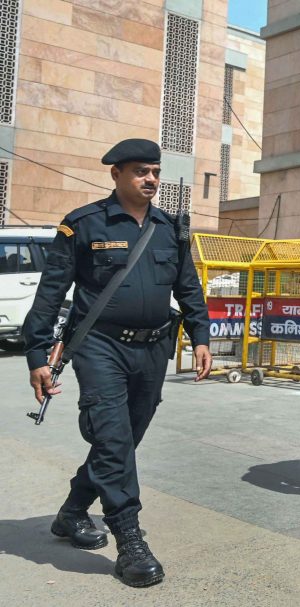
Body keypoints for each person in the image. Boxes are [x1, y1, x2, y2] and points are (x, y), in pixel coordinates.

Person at [23, 138, 213, 588]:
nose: (150, 179)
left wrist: (201, 336)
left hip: (152, 349)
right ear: (116, 175)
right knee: (112, 439)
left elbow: (188, 288)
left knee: (125, 440)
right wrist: (37, 355)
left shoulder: (171, 228)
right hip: (99, 348)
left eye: (155, 172)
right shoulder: (83, 224)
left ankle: (72, 514)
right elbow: (50, 294)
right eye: (140, 172)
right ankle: (129, 538)